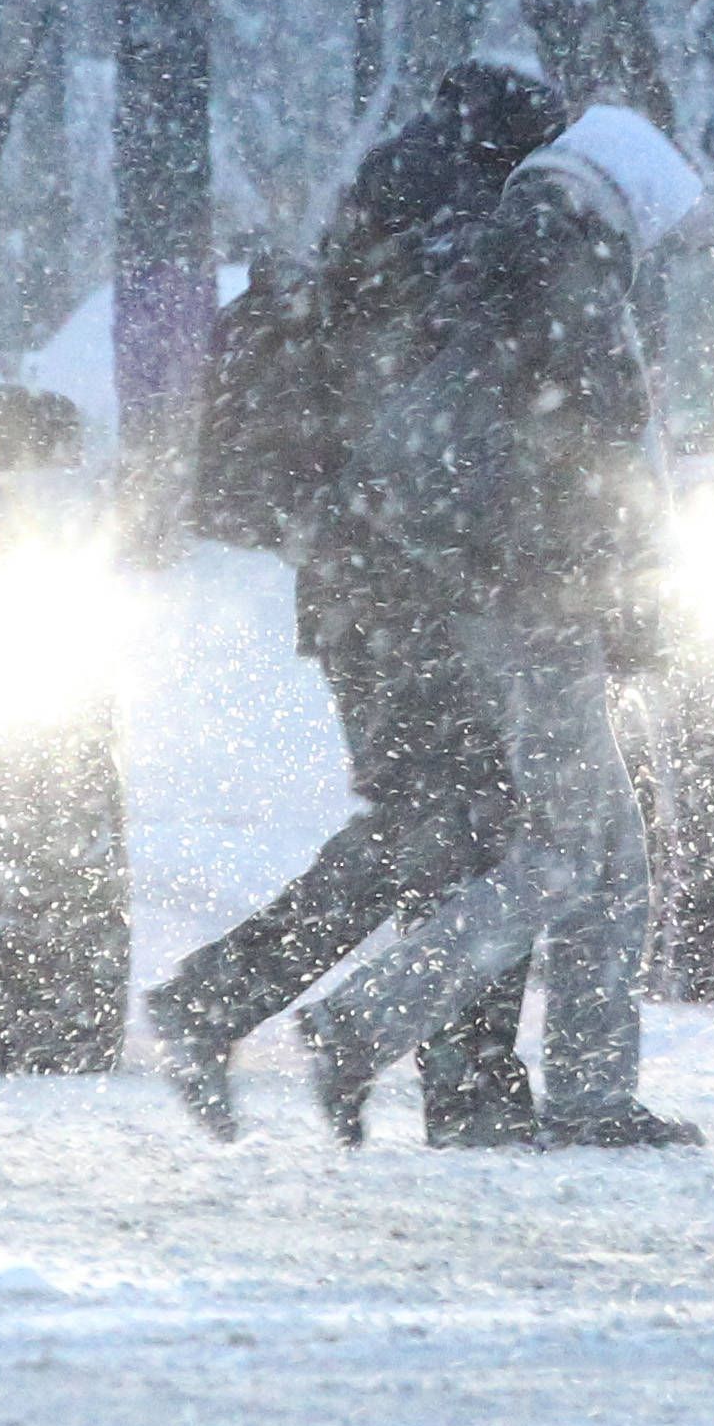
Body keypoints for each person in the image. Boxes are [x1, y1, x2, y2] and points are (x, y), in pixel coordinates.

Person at [146, 60, 566, 1144]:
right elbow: (443, 421)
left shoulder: (395, 204)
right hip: (403, 581)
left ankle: (455, 1079)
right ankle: (245, 1011)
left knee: (451, 827)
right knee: (458, 824)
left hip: (366, 582)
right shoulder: (452, 230)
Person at [292, 101, 708, 1151]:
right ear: (626, 201)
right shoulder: (568, 280)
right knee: (570, 853)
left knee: (605, 858)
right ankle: (362, 1025)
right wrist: (617, 596)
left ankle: (588, 1093)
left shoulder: (510, 261)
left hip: (515, 605)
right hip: (544, 615)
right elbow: (596, 477)